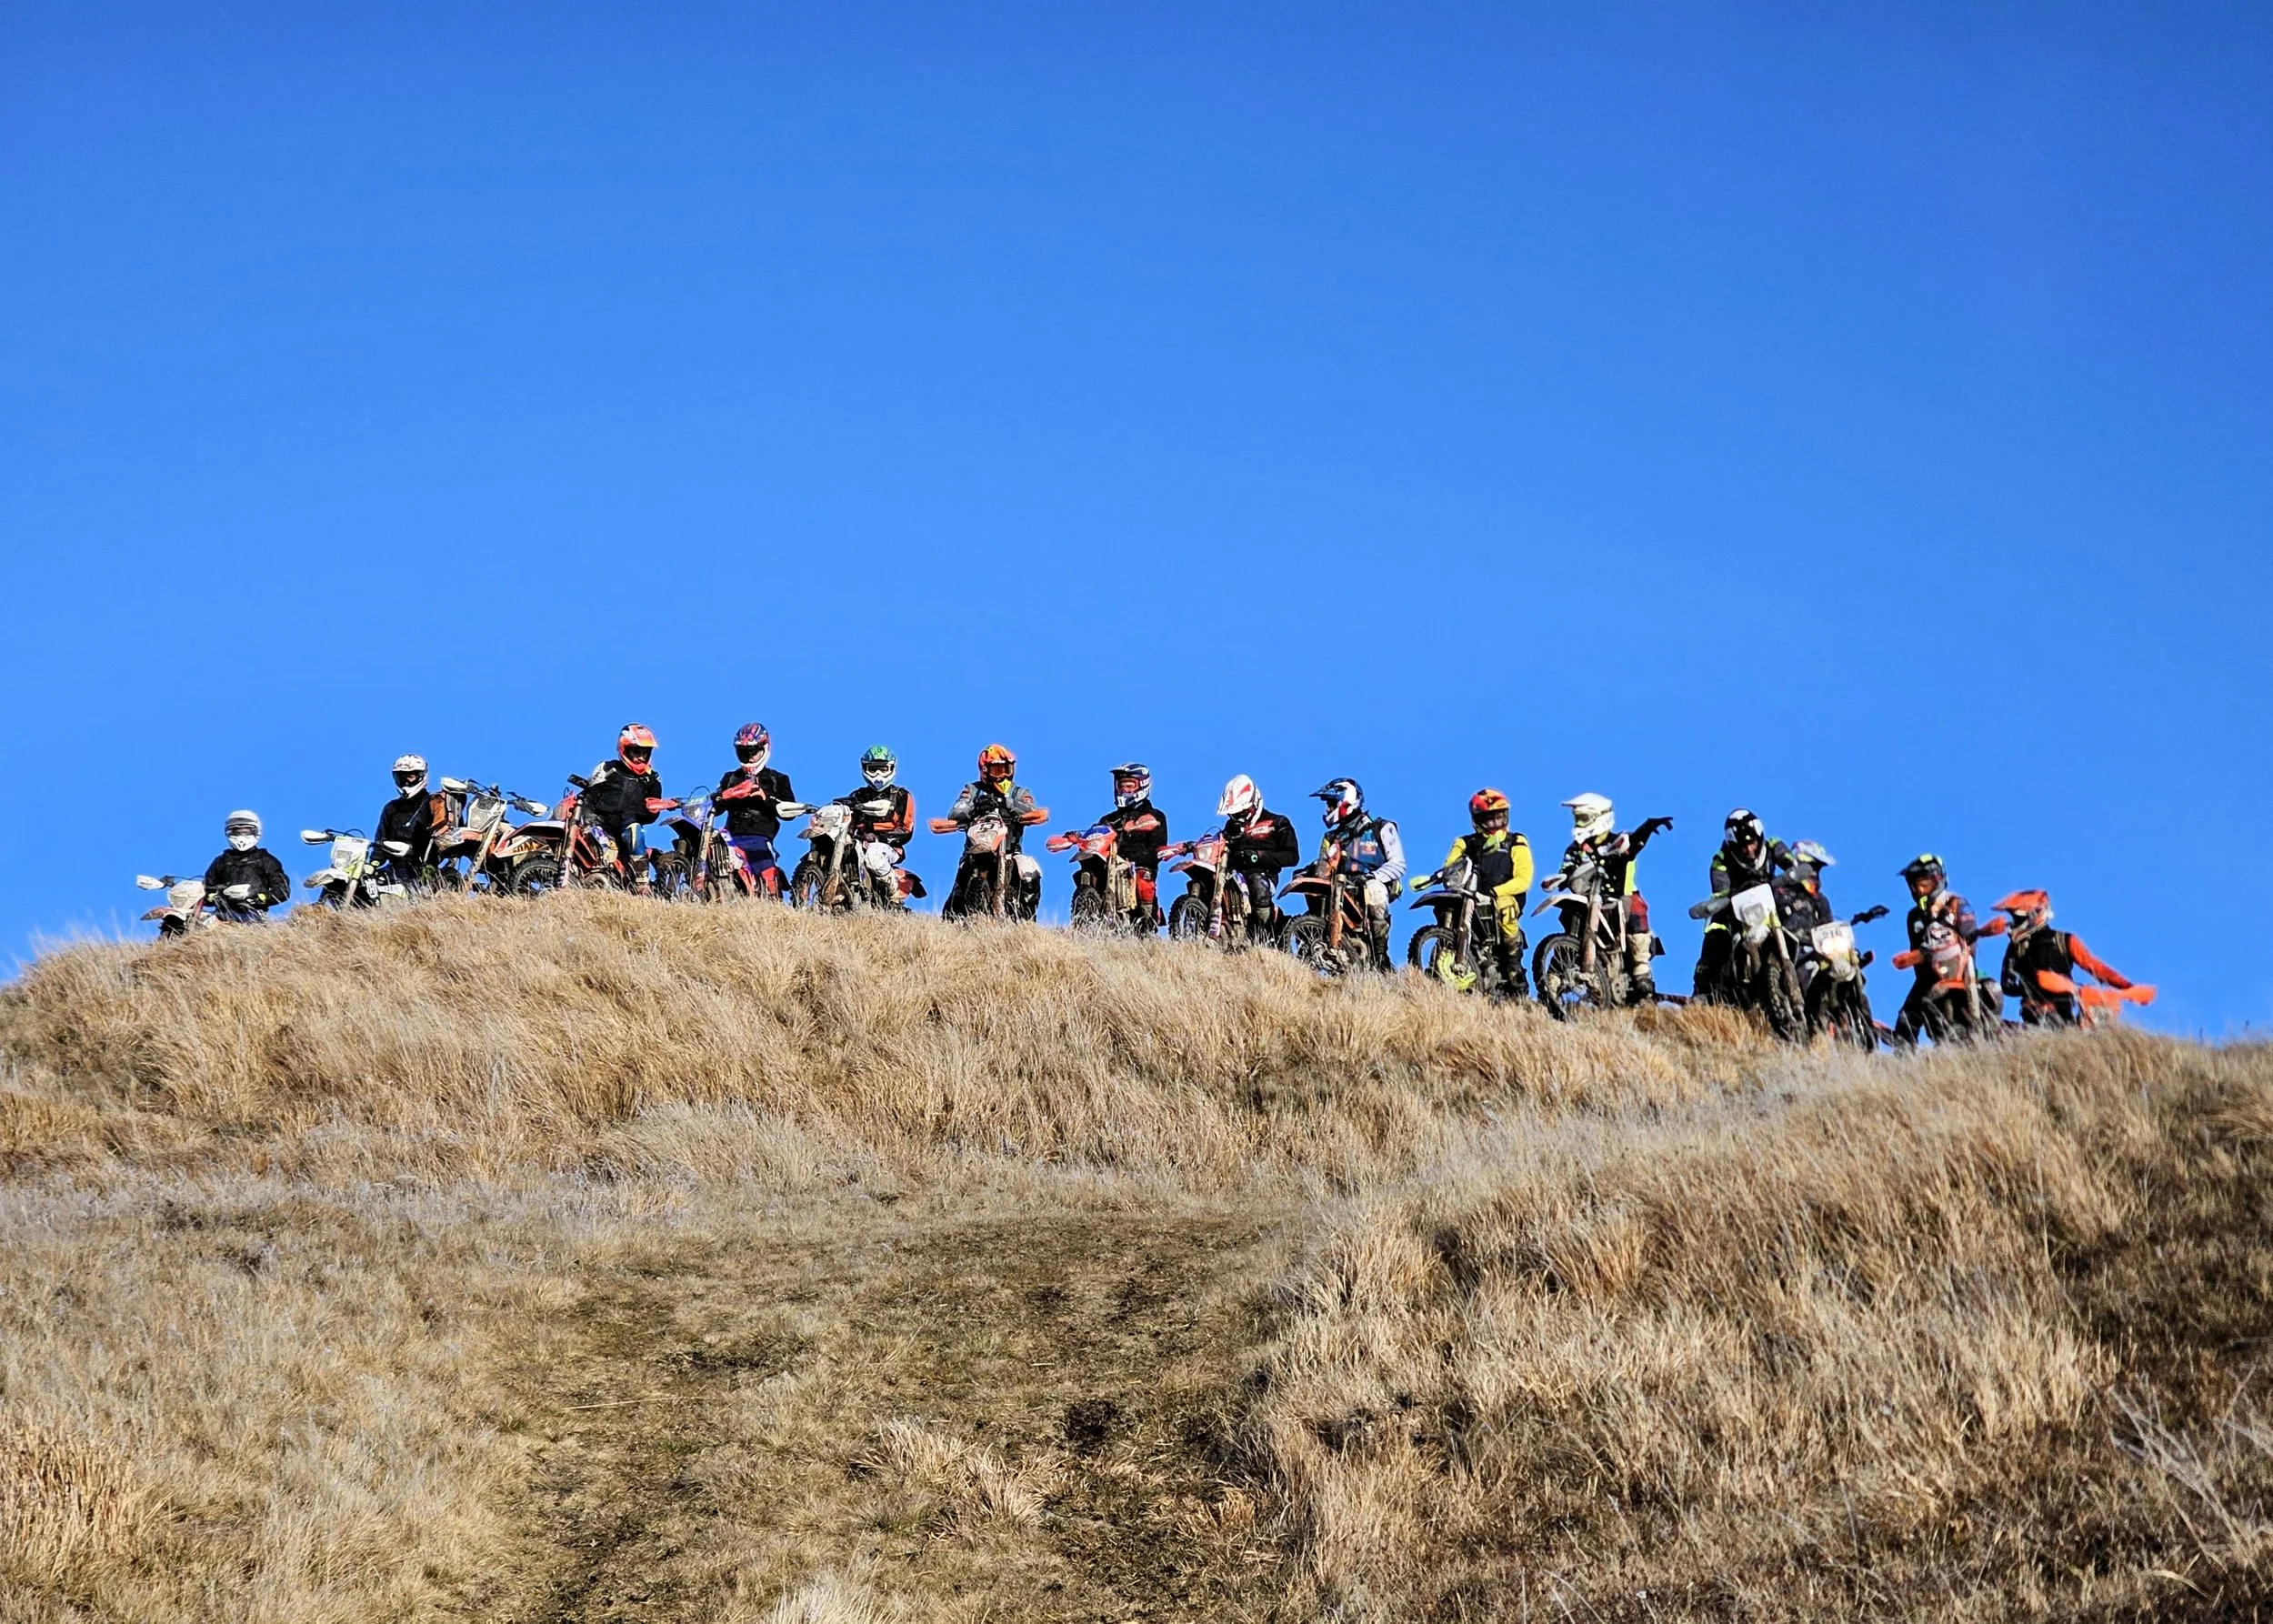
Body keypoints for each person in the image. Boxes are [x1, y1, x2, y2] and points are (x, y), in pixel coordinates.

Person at [1550, 792, 1672, 1002]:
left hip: (1620, 896)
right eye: (1577, 819)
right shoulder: (1576, 849)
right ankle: (1554, 974)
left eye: (1584, 818)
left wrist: (1647, 828)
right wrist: (1562, 878)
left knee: (1636, 909)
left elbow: (1632, 845)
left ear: (1600, 817)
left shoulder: (1618, 841)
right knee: (1569, 918)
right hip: (1588, 898)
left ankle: (1641, 970)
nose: (1579, 823)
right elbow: (1567, 867)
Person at [1890, 853, 2004, 1045]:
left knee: (1993, 989)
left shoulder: (1958, 904)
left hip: (1961, 967)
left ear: (1938, 879)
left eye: (1924, 884)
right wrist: (1912, 959)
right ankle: (1903, 1058)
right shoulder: (1914, 917)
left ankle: (1994, 1034)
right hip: (1929, 974)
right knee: (1906, 1019)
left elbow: (1969, 930)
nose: (1919, 889)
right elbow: (1915, 948)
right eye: (1915, 886)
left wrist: (1976, 934)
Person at [1435, 787, 1534, 996]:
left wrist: (1496, 892)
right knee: (1445, 907)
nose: (1496, 824)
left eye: (1500, 817)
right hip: (1468, 895)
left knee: (1507, 910)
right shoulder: (1464, 842)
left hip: (1502, 897)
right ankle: (1441, 954)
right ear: (1477, 820)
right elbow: (1450, 865)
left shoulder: (1516, 841)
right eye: (1490, 819)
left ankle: (1514, 966)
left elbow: (1524, 879)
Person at [1996, 889, 2140, 1028]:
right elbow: (2007, 985)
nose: (2014, 923)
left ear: (2036, 916)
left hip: (2061, 1014)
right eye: (2014, 919)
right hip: (2032, 1017)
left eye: (2018, 919)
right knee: (1996, 1030)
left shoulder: (2065, 941)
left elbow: (2096, 968)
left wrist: (2128, 987)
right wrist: (2029, 985)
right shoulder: (2015, 947)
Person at [1693, 808, 1796, 1001]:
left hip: (1773, 904)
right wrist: (1724, 899)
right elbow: (1720, 890)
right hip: (1737, 910)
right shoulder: (1721, 860)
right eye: (1743, 846)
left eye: (1752, 843)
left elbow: (1791, 864)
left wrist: (1794, 873)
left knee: (1803, 924)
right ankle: (1704, 991)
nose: (1749, 849)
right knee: (1716, 933)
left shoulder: (1773, 845)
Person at [937, 743, 1049, 918]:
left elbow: (1033, 811)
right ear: (985, 770)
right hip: (975, 851)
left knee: (1030, 873)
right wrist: (975, 808)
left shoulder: (1019, 792)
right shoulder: (972, 790)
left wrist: (1008, 804)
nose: (1004, 774)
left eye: (1007, 769)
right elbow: (955, 811)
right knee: (958, 892)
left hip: (1011, 850)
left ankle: (1026, 919)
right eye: (998, 770)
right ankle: (954, 917)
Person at [1308, 777, 1406, 965]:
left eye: (1330, 804)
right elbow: (1324, 864)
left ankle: (1380, 955)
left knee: (1375, 890)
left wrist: (1374, 876)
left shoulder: (1381, 828)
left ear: (1347, 801)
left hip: (1373, 882)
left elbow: (1398, 864)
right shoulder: (1331, 837)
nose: (1327, 809)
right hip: (1339, 885)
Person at [581, 723, 676, 890]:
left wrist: (655, 807)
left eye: (644, 753)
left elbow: (652, 814)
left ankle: (642, 883)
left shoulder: (652, 778)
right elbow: (590, 796)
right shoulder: (606, 769)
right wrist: (585, 819)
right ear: (624, 749)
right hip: (600, 823)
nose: (641, 757)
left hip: (628, 827)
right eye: (636, 752)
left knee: (634, 828)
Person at [832, 745, 923, 904]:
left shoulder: (901, 796)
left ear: (892, 768)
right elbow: (848, 822)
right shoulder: (857, 795)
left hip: (888, 846)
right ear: (865, 768)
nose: (878, 774)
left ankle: (893, 892)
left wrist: (880, 838)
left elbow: (907, 830)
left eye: (883, 769)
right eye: (873, 769)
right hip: (858, 841)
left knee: (874, 855)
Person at [714, 722, 795, 897]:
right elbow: (716, 805)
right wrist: (720, 797)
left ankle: (773, 905)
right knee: (712, 852)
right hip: (731, 835)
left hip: (760, 835)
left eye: (754, 752)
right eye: (745, 752)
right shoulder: (731, 778)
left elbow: (789, 811)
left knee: (767, 872)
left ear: (764, 748)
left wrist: (764, 797)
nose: (750, 757)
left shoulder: (778, 779)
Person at [1086, 761, 1168, 927]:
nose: (1124, 790)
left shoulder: (1155, 816)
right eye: (1121, 786)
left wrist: (1131, 856)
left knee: (1142, 877)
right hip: (1109, 865)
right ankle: (1086, 915)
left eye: (1129, 786)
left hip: (1138, 867)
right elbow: (1095, 835)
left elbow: (1158, 849)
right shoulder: (1108, 819)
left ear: (1142, 785)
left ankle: (1147, 919)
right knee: (1089, 869)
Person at [1218, 775, 1300, 940]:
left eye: (1241, 812)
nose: (1238, 817)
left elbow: (1292, 856)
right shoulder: (1231, 827)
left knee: (1257, 884)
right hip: (1233, 874)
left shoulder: (1278, 822)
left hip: (1264, 876)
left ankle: (1267, 934)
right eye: (1234, 814)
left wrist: (1258, 856)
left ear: (1253, 804)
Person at [374, 754, 449, 889]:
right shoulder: (391, 808)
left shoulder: (433, 804)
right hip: (393, 867)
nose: (406, 782)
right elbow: (380, 841)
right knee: (365, 885)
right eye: (401, 777)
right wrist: (373, 864)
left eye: (410, 776)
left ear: (421, 776)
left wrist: (431, 865)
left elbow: (440, 838)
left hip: (419, 867)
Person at [202, 809, 291, 921]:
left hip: (253, 915)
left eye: (246, 831)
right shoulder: (221, 862)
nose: (241, 836)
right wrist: (218, 896)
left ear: (256, 831)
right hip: (222, 915)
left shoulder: (266, 860)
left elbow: (282, 891)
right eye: (236, 832)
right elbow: (205, 890)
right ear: (228, 833)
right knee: (198, 923)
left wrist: (254, 896)